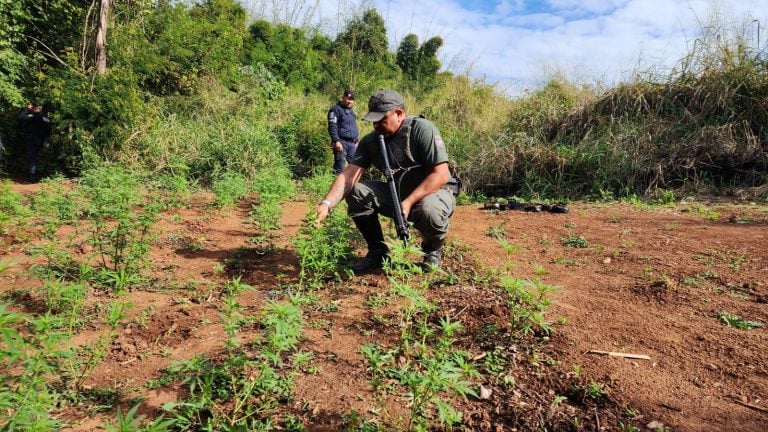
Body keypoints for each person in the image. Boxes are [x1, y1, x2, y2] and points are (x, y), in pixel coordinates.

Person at [315, 89, 458, 273]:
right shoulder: (370, 142)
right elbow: (349, 174)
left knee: (427, 209)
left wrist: (408, 202)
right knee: (358, 193)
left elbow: (440, 174)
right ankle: (377, 252)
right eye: (373, 121)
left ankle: (432, 249)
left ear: (399, 114)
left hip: (436, 192)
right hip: (400, 194)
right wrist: (327, 204)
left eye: (381, 120)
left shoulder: (421, 129)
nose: (376, 126)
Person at [327, 88, 359, 175]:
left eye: (352, 100)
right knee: (339, 169)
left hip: (352, 144)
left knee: (355, 167)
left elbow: (353, 126)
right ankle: (334, 187)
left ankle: (352, 188)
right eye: (348, 99)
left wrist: (357, 140)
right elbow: (332, 127)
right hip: (341, 142)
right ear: (343, 97)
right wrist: (336, 141)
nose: (350, 101)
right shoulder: (335, 109)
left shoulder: (352, 111)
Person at [17, 103, 51, 183]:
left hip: (31, 139)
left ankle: (32, 176)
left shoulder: (33, 117)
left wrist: (27, 109)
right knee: (34, 157)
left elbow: (21, 117)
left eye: (33, 108)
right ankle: (33, 174)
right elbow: (49, 131)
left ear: (35, 109)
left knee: (31, 157)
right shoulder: (46, 118)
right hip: (40, 141)